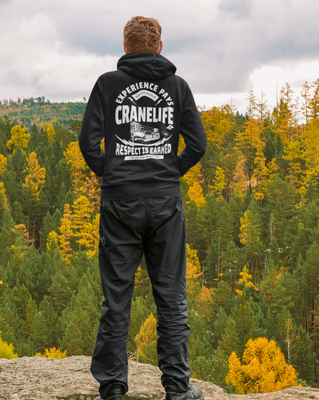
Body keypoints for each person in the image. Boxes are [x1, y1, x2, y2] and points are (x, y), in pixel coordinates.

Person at [79, 16, 207, 400]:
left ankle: (114, 388)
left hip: (119, 203)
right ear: (160, 48)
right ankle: (177, 389)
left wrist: (114, 174)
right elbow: (197, 144)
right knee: (171, 295)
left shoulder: (108, 84)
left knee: (116, 296)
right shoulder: (177, 87)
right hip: (166, 204)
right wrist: (169, 172)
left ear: (125, 47)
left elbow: (88, 142)